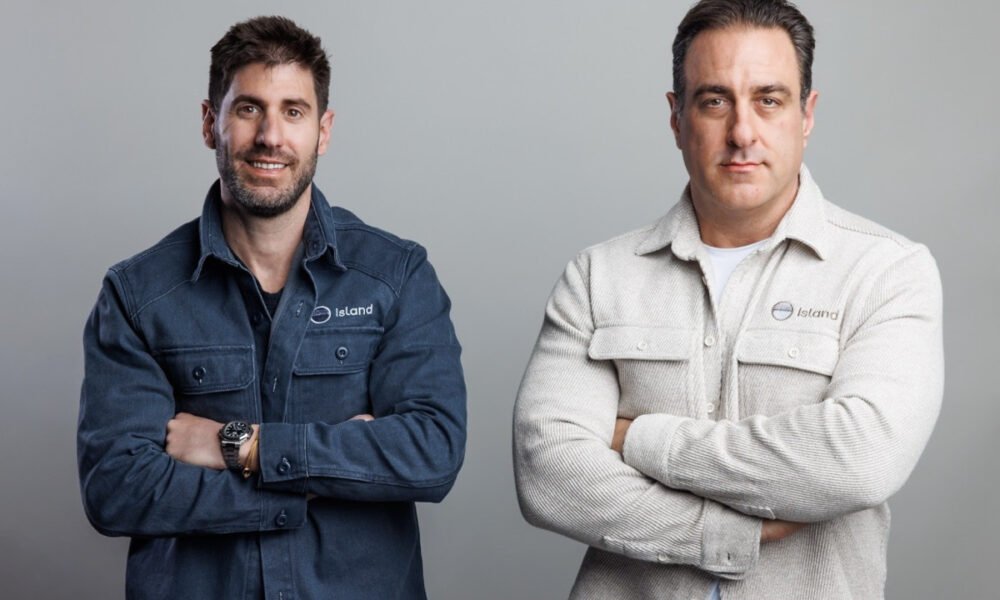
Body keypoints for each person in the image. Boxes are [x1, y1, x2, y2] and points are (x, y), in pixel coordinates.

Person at [513, 1, 943, 598]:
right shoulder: (597, 277)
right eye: (715, 101)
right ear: (676, 118)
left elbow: (861, 459)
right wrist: (726, 533)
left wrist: (637, 438)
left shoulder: (886, 271)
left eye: (769, 100)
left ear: (806, 114)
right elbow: (548, 473)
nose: (743, 132)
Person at [77, 16, 466, 600]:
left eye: (294, 111)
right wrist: (311, 482)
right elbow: (117, 488)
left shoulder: (394, 276)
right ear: (209, 123)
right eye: (248, 108)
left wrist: (242, 446)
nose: (270, 136)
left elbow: (431, 452)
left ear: (323, 130)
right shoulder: (138, 294)